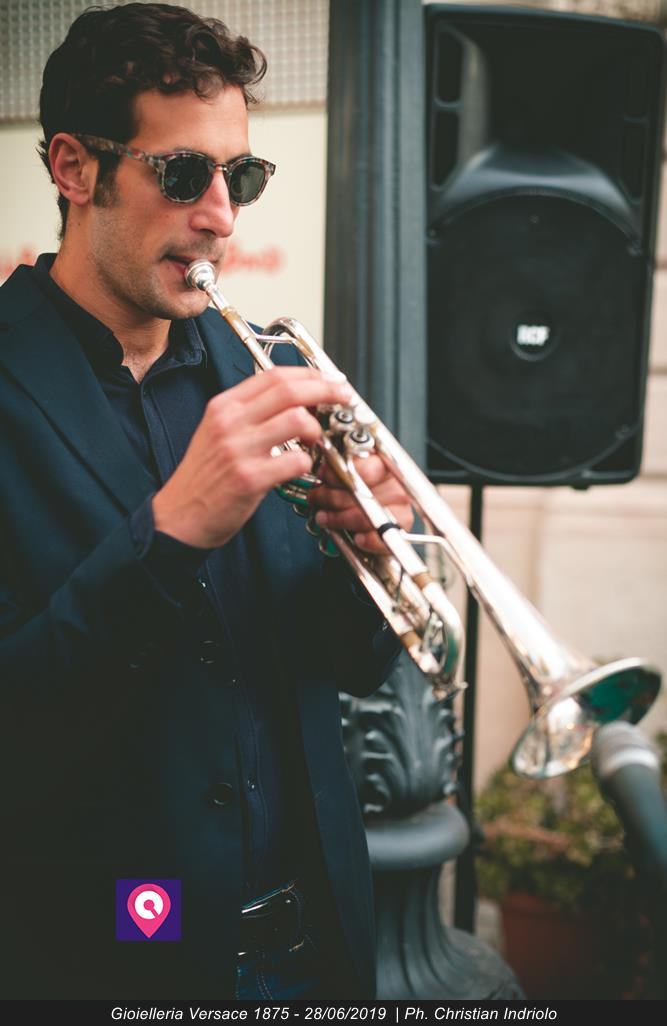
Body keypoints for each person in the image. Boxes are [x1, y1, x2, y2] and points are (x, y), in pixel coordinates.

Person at [0, 2, 414, 1002]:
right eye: (184, 174)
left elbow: (333, 666)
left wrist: (370, 563)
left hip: (313, 939)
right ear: (73, 168)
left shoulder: (260, 366)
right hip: (110, 950)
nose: (222, 216)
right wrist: (171, 533)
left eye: (243, 177)